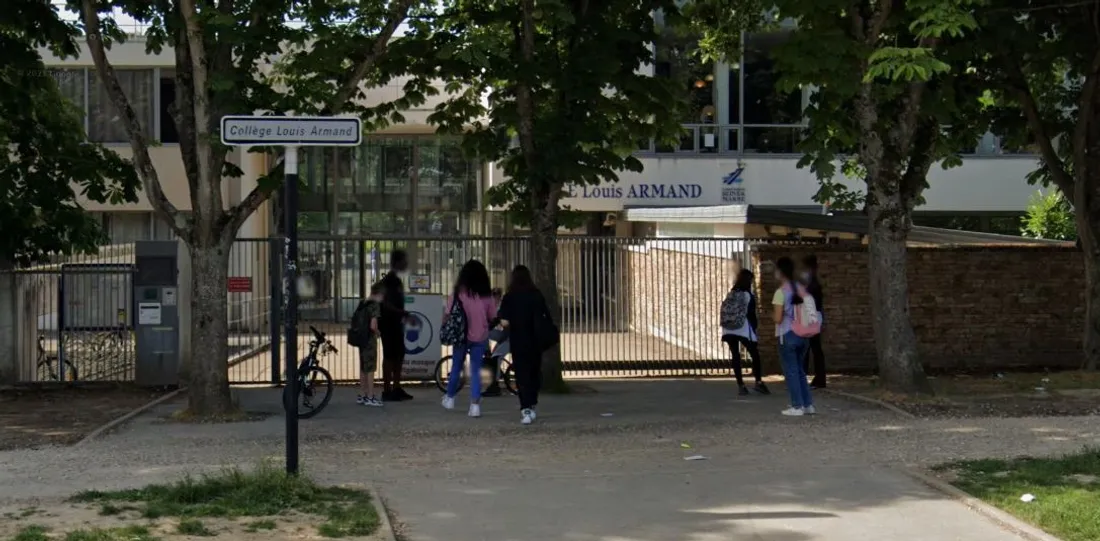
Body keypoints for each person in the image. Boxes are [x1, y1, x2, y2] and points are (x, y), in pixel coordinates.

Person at [441, 259, 498, 418]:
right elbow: (492, 317)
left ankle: (450, 398)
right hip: (480, 337)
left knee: (457, 366)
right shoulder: (487, 297)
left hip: (460, 336)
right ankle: (474, 406)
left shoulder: (457, 295)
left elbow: (447, 314)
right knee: (475, 370)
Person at [498, 265, 552, 425]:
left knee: (522, 375)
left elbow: (504, 321)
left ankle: (525, 407)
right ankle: (533, 403)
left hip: (518, 340)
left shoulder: (510, 296)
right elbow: (546, 316)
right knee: (534, 372)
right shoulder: (536, 295)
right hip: (535, 341)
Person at [773, 256, 815, 416]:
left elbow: (778, 318)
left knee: (791, 371)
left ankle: (796, 406)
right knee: (800, 370)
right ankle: (807, 404)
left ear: (780, 272)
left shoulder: (780, 292)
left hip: (787, 333)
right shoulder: (801, 288)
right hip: (804, 334)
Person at [720, 269, 770, 396]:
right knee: (754, 354)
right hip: (743, 328)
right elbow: (752, 315)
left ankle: (741, 385)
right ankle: (758, 382)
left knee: (735, 356)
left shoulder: (730, 294)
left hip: (729, 328)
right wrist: (754, 329)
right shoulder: (748, 295)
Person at [379, 249, 412, 402]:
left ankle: (396, 388)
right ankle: (387, 390)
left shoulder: (396, 280)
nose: (406, 263)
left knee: (399, 355)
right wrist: (401, 312)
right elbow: (385, 304)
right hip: (387, 324)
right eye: (404, 260)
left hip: (396, 324)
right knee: (389, 356)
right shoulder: (389, 281)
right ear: (397, 262)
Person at [349, 282, 384, 407]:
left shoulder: (362, 303)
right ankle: (370, 396)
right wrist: (378, 332)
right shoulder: (374, 305)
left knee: (363, 367)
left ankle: (362, 395)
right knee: (370, 369)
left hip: (361, 339)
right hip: (369, 340)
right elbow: (373, 325)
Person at [801, 254, 826, 389]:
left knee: (808, 348)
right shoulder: (813, 281)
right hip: (815, 316)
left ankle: (806, 377)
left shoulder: (811, 283)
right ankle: (818, 378)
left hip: (811, 317)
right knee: (813, 348)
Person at [482, 288, 506, 397]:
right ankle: (487, 352)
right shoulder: (492, 307)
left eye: (496, 297)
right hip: (504, 335)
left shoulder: (502, 307)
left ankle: (494, 386)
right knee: (485, 333)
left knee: (496, 358)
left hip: (508, 337)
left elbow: (495, 321)